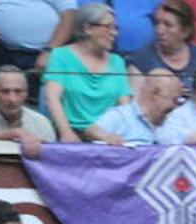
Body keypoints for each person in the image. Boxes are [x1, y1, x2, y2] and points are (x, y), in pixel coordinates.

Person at [42, 3, 131, 143]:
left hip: (107, 138)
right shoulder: (61, 56)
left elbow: (124, 106)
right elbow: (52, 99)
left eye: (115, 28)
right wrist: (67, 133)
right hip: (72, 135)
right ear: (87, 28)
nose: (114, 33)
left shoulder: (117, 62)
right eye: (108, 27)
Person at [127, 0, 196, 93]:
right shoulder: (141, 60)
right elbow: (136, 103)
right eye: (157, 23)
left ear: (185, 32)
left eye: (168, 25)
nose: (159, 31)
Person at [0, 65, 57, 154]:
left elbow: (51, 156)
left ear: (26, 93)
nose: (12, 99)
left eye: (18, 91)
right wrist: (17, 133)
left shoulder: (41, 122)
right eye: (5, 91)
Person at [86, 66, 180, 143]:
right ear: (155, 93)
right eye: (174, 100)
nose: (175, 107)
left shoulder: (172, 122)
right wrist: (107, 137)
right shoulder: (121, 116)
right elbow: (92, 130)